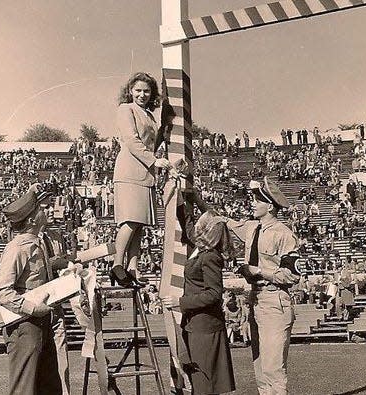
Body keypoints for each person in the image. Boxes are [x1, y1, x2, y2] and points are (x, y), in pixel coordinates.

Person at [228, 176, 299, 395]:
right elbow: (223, 221)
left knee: (273, 369)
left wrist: (259, 271)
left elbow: (292, 275)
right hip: (256, 300)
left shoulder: (284, 234)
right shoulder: (251, 228)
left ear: (270, 206)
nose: (252, 203)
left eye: (257, 200)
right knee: (260, 368)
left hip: (275, 301)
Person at [0, 184, 67, 395]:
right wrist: (34, 309)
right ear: (32, 219)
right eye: (44, 207)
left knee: (50, 388)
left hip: (43, 322)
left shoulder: (39, 243)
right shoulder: (17, 248)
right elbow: (1, 292)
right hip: (24, 325)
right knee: (24, 389)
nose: (50, 210)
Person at [162, 210, 236, 395]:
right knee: (197, 379)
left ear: (206, 230)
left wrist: (180, 302)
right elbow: (187, 225)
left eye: (199, 224)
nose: (195, 226)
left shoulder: (210, 256)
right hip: (195, 324)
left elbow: (214, 294)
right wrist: (180, 201)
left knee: (204, 382)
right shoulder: (201, 250)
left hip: (205, 327)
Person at [111, 72, 173, 287]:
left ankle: (133, 267)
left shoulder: (149, 115)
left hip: (146, 173)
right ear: (130, 91)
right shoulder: (125, 109)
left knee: (139, 223)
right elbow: (131, 140)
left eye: (146, 91)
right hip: (130, 170)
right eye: (138, 90)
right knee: (130, 220)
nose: (142, 94)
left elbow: (151, 143)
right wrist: (153, 160)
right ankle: (117, 264)